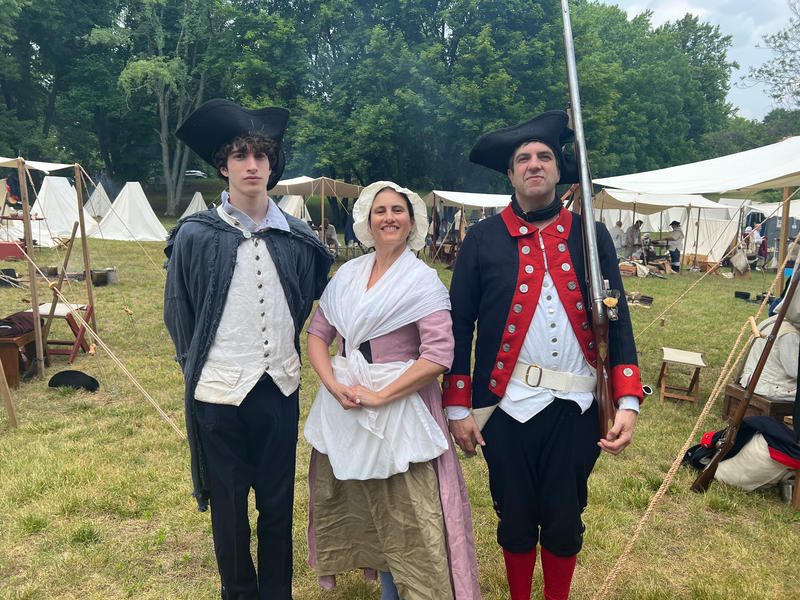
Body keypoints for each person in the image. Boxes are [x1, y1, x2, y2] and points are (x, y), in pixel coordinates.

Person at [444, 111, 643, 600]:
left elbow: (615, 319)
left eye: (545, 157)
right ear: (511, 175)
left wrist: (628, 401)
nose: (535, 165)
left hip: (575, 407)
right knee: (514, 518)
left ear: (559, 171)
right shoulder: (481, 239)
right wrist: (457, 406)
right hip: (505, 406)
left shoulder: (591, 236)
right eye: (523, 159)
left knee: (562, 518)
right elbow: (458, 325)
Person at [163, 99, 333, 600]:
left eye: (261, 154)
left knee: (278, 502)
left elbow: (304, 301)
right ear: (224, 166)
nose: (252, 164)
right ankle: (239, 592)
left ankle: (277, 592)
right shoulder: (195, 236)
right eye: (240, 155)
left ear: (272, 165)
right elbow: (180, 312)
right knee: (229, 505)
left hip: (278, 387)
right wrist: (197, 369)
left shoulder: (298, 238)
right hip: (217, 392)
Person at [303, 181, 481, 600]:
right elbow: (317, 334)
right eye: (380, 210)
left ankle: (416, 589)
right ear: (367, 220)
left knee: (409, 512)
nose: (388, 217)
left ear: (412, 221)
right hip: (347, 407)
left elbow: (438, 354)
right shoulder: (348, 274)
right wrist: (333, 385)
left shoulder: (422, 281)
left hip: (404, 408)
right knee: (365, 504)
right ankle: (388, 589)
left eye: (397, 210)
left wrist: (382, 395)